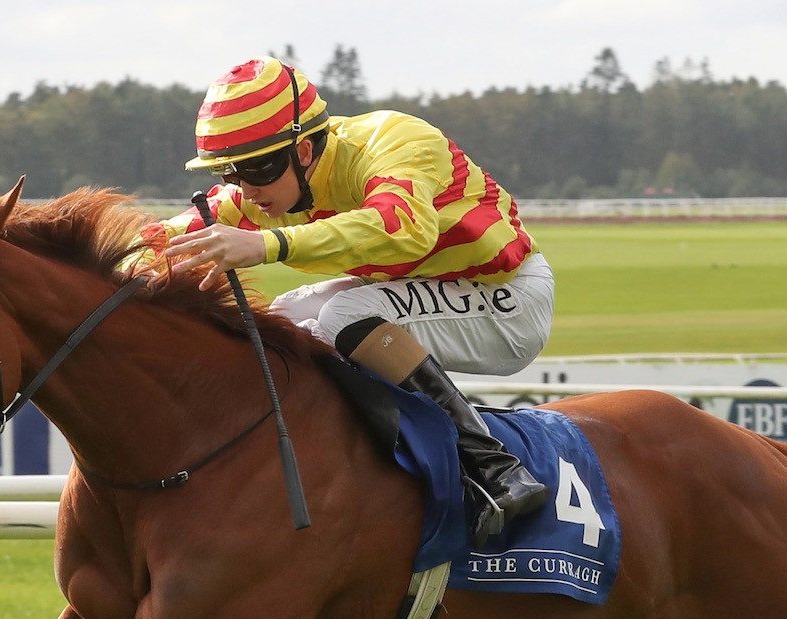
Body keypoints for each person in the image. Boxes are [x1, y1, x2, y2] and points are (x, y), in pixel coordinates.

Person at [152, 57, 555, 544]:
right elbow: (176, 233)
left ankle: (494, 470)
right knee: (284, 318)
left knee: (345, 315)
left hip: (506, 297)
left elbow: (401, 225)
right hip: (433, 287)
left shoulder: (394, 140)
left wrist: (265, 245)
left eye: (257, 168)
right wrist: (115, 252)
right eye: (229, 172)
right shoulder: (270, 187)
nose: (246, 188)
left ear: (303, 150)